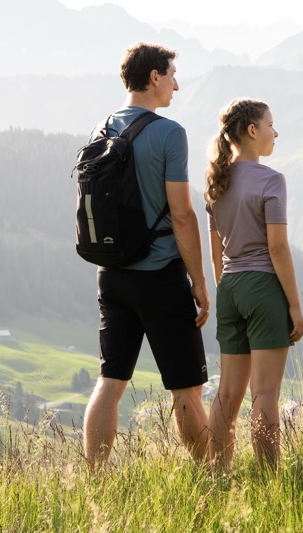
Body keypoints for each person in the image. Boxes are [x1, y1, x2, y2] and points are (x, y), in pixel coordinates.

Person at [82, 43, 212, 468]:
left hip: (111, 273)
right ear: (153, 77)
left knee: (110, 382)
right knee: (185, 388)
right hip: (159, 274)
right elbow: (182, 213)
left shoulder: (101, 128)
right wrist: (199, 281)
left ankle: (95, 483)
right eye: (172, 74)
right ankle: (208, 477)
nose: (176, 84)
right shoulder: (169, 132)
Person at [205, 98, 303, 472]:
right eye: (270, 125)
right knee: (264, 394)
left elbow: (217, 255)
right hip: (263, 289)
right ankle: (267, 481)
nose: (274, 133)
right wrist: (293, 305)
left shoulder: (217, 181)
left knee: (227, 395)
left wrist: (226, 291)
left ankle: (218, 475)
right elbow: (277, 246)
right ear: (251, 131)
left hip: (229, 287)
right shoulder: (270, 180)